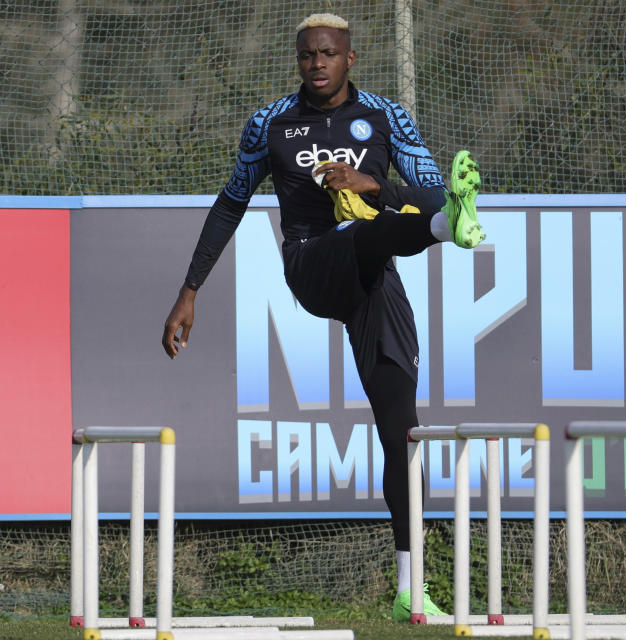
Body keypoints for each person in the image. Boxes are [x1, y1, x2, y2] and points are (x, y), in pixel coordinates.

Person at [161, 12, 483, 622]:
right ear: (298, 59)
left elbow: (439, 189)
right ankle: (445, 235)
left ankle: (410, 591)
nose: (316, 65)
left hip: (374, 278)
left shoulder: (386, 116)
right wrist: (190, 289)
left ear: (349, 59)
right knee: (371, 234)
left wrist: (375, 183)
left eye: (328, 54)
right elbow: (230, 204)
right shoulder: (270, 123)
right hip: (312, 261)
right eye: (307, 55)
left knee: (402, 431)